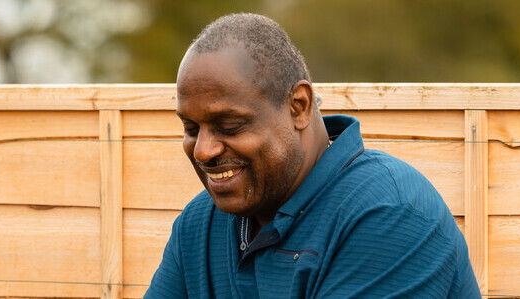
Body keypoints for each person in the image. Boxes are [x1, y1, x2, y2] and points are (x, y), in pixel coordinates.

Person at [144, 13, 480, 298]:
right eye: (190, 128)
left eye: (229, 125)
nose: (203, 150)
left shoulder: (389, 213)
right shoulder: (199, 224)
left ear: (298, 107)